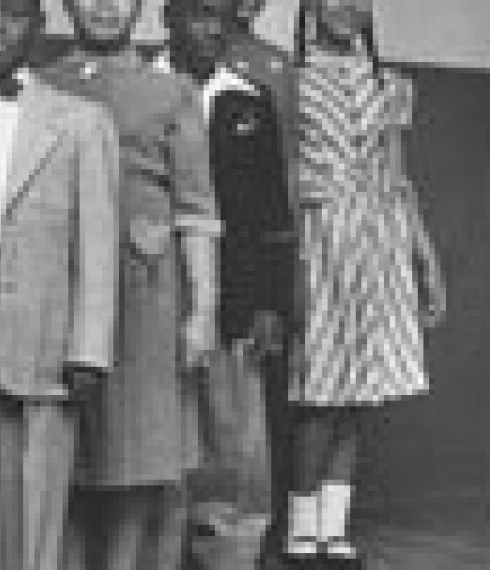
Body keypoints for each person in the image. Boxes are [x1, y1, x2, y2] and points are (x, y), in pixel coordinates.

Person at [0, 1, 119, 569]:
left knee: (39, 484)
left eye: (12, 13)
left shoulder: (82, 121)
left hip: (44, 323)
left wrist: (89, 347)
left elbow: (99, 243)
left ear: (37, 25)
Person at [40, 1, 221, 569]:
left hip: (143, 292)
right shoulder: (42, 86)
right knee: (62, 452)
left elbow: (196, 211)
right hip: (58, 284)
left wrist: (202, 312)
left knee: (136, 455)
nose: (104, 6)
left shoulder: (172, 92)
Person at [286, 0, 447, 562]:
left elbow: (398, 178)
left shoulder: (388, 82)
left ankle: (334, 526)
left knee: (359, 393)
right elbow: (283, 171)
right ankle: (299, 524)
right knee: (319, 391)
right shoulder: (291, 78)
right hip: (318, 240)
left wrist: (424, 256)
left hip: (378, 243)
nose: (345, 7)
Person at [159, 0, 298, 548]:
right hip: (158, 295)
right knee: (163, 435)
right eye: (196, 14)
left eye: (219, 14)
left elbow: (271, 212)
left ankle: (229, 551)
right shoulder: (148, 90)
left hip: (237, 299)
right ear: (168, 18)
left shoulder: (249, 100)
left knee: (233, 442)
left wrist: (271, 303)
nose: (211, 28)